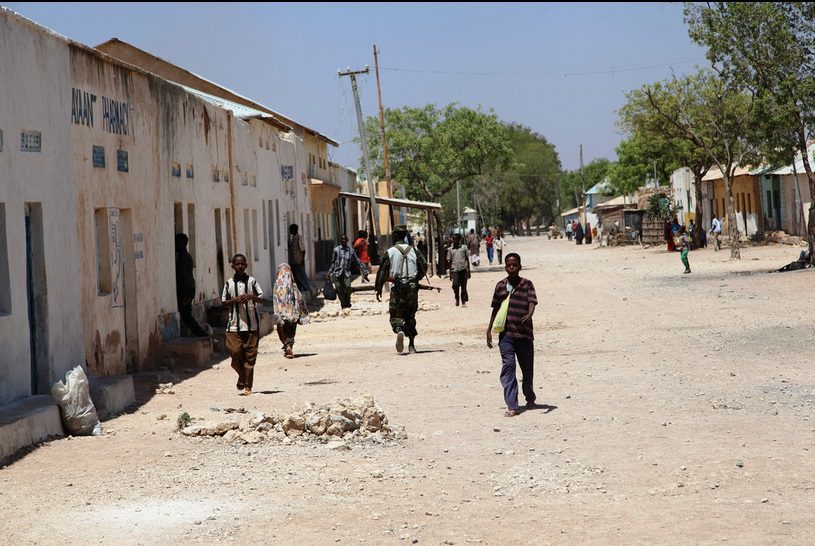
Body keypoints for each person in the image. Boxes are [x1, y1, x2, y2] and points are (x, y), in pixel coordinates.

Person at [485, 253, 538, 417]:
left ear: (520, 266)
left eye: (515, 265)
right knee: (508, 367)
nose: (512, 267)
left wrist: (530, 314)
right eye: (509, 265)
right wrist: (489, 330)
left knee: (527, 370)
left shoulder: (527, 284)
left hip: (524, 335)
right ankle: (512, 405)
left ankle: (529, 395)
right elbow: (495, 308)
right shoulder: (500, 286)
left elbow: (532, 301)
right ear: (505, 267)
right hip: (506, 336)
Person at [375, 225, 427, 354]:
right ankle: (411, 345)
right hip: (412, 288)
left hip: (398, 287)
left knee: (396, 313)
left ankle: (399, 330)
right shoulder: (414, 251)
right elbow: (424, 266)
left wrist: (379, 288)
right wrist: (416, 278)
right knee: (411, 315)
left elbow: (382, 271)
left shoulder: (391, 252)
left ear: (396, 236)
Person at [221, 254, 264, 396]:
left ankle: (248, 385)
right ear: (232, 266)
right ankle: (241, 375)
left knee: (250, 357)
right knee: (234, 351)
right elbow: (223, 302)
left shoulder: (252, 282)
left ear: (246, 265)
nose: (240, 266)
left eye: (242, 264)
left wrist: (251, 297)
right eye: (237, 264)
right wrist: (235, 300)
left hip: (252, 326)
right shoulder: (228, 283)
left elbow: (262, 299)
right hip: (233, 325)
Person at [272, 263, 309, 359]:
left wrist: (277, 312)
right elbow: (299, 299)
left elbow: (275, 300)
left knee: (282, 329)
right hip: (292, 313)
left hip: (282, 313)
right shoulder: (293, 285)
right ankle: (288, 346)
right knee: (291, 330)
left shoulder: (277, 285)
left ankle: (287, 346)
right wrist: (302, 311)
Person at [175, 233, 209, 337]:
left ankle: (201, 333)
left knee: (186, 315)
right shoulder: (185, 255)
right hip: (188, 288)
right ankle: (200, 333)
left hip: (186, 289)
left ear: (181, 244)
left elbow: (181, 273)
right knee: (186, 314)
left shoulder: (183, 256)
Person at [328, 234, 368, 309]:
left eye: (345, 239)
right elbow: (333, 262)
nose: (343, 241)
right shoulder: (336, 250)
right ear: (340, 241)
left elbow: (358, 261)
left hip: (346, 273)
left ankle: (348, 301)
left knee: (348, 287)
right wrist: (329, 272)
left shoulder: (351, 251)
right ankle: (343, 304)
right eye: (342, 239)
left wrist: (364, 271)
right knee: (339, 289)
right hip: (337, 273)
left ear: (347, 240)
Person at [446, 233, 471, 307]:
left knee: (463, 287)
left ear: (459, 240)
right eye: (453, 239)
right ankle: (457, 296)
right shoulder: (450, 249)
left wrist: (469, 271)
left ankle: (463, 301)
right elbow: (449, 261)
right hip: (455, 270)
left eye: (455, 239)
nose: (453, 241)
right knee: (455, 285)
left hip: (463, 269)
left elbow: (467, 259)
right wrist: (450, 273)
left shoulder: (464, 248)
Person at [288, 224, 310, 294]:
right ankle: (299, 287)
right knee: (296, 276)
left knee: (301, 275)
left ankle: (306, 287)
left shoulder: (299, 237)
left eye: (291, 230)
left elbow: (303, 249)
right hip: (293, 261)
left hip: (298, 260)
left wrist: (302, 259)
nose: (290, 231)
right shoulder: (293, 238)